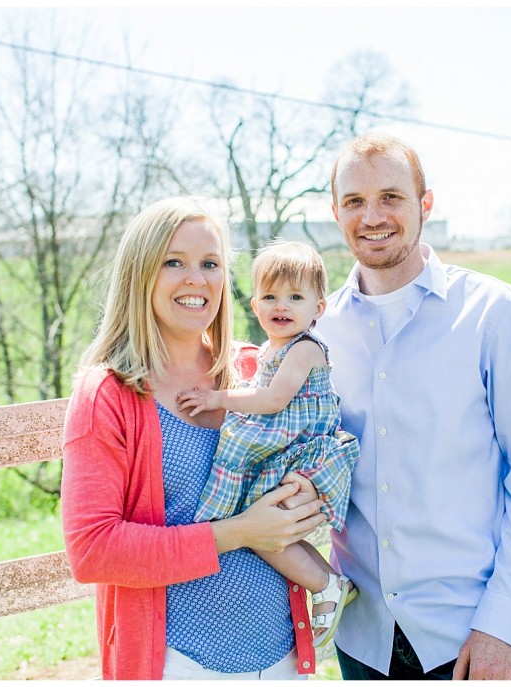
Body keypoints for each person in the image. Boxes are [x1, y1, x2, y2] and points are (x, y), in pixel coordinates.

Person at [313, 132, 511, 680]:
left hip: (473, 637)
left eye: (391, 197)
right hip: (364, 641)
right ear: (336, 212)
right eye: (354, 201)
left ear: (425, 203)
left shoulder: (494, 314)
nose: (372, 215)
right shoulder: (318, 331)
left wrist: (504, 626)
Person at [60, 197, 329, 680]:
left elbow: (315, 438)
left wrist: (308, 487)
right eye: (173, 262)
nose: (196, 279)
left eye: (210, 263)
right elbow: (93, 549)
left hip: (285, 658)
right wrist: (240, 532)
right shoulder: (109, 394)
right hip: (177, 664)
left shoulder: (256, 369)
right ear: (139, 275)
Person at [176, 240, 361, 648]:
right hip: (281, 447)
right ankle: (331, 583)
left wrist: (217, 398)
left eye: (296, 296)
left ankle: (322, 584)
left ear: (318, 309)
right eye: (271, 296)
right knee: (266, 526)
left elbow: (274, 400)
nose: (282, 305)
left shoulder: (305, 348)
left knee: (259, 522)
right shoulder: (270, 348)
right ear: (255, 305)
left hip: (300, 450)